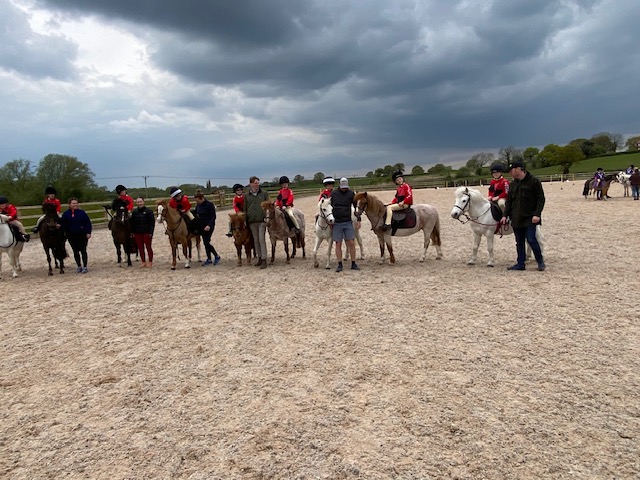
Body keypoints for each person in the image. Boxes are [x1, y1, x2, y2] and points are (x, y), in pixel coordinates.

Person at [500, 161, 545, 271]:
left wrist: (537, 214)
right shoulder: (513, 184)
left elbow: (541, 199)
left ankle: (540, 261)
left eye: (511, 170)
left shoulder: (534, 181)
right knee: (519, 242)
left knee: (531, 239)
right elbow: (509, 201)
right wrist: (505, 215)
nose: (510, 173)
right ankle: (520, 263)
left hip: (530, 217)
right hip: (516, 217)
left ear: (518, 169)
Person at [330, 177, 361, 272]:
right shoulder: (334, 194)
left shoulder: (351, 194)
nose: (344, 189)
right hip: (337, 222)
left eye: (345, 187)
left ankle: (353, 263)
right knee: (338, 243)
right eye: (343, 187)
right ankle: (339, 264)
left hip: (348, 221)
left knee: (351, 242)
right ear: (339, 185)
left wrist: (359, 219)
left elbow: (356, 208)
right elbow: (330, 207)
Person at [243, 176, 270, 269]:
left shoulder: (264, 194)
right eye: (255, 183)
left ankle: (264, 258)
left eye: (258, 183)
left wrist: (266, 217)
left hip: (262, 220)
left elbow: (268, 205)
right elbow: (245, 209)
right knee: (256, 240)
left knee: (261, 239)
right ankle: (259, 257)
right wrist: (245, 220)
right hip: (252, 221)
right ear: (251, 184)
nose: (257, 184)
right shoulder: (246, 196)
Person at [60, 197, 92, 273]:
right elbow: (63, 224)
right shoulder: (66, 214)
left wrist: (88, 232)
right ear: (69, 204)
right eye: (73, 203)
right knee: (75, 251)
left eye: (76, 203)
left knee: (83, 250)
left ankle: (85, 266)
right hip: (71, 235)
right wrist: (60, 226)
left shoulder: (82, 213)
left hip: (82, 234)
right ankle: (79, 266)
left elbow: (88, 223)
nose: (75, 205)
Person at [194, 192, 221, 266]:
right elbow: (195, 212)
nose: (197, 202)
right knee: (205, 243)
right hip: (201, 226)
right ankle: (209, 259)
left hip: (209, 226)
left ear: (202, 198)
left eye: (198, 200)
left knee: (206, 242)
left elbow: (213, 216)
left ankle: (216, 256)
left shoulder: (209, 205)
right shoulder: (198, 205)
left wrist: (209, 225)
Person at [130, 196, 155, 267]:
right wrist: (132, 232)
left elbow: (152, 223)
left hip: (146, 232)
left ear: (143, 202)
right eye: (138, 202)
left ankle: (150, 261)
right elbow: (132, 223)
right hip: (137, 233)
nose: (139, 203)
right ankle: (143, 261)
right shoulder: (134, 212)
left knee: (148, 247)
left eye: (140, 201)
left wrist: (151, 232)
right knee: (140, 248)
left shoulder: (149, 211)